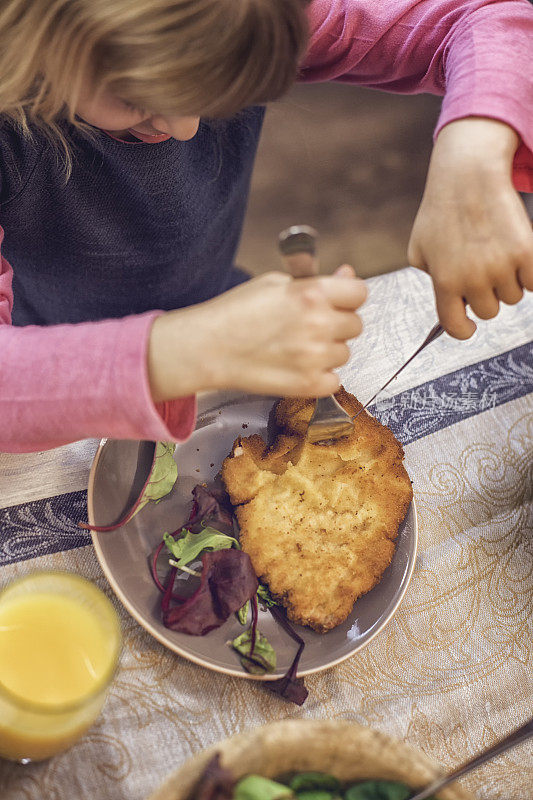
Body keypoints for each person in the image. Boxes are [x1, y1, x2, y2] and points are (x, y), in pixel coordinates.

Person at [0, 0, 531, 453]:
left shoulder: (250, 14)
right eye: (136, 97)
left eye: (220, 97)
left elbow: (484, 15)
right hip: (52, 378)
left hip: (214, 300)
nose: (185, 129)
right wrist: (193, 349)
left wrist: (474, 151)